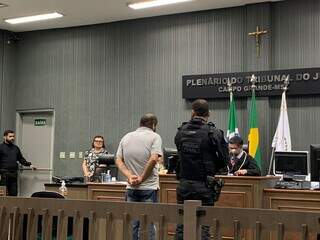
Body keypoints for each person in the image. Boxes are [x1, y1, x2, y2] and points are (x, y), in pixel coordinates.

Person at [174, 99, 228, 240]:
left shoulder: (181, 131)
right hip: (204, 184)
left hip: (184, 183)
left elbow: (180, 154)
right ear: (209, 113)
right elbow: (224, 159)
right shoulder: (214, 132)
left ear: (192, 112)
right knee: (204, 224)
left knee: (182, 223)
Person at [115, 113, 162, 240]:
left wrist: (130, 176)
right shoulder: (155, 137)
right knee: (149, 224)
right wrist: (141, 178)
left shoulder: (126, 137)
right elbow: (153, 159)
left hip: (131, 188)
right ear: (153, 124)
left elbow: (118, 160)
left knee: (132, 224)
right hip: (148, 188)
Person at [0, 130, 35, 196]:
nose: (12, 138)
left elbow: (20, 158)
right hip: (3, 174)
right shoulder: (1, 147)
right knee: (3, 195)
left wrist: (29, 164)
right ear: (4, 137)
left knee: (14, 194)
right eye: (10, 136)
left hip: (13, 174)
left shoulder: (15, 148)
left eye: (13, 136)